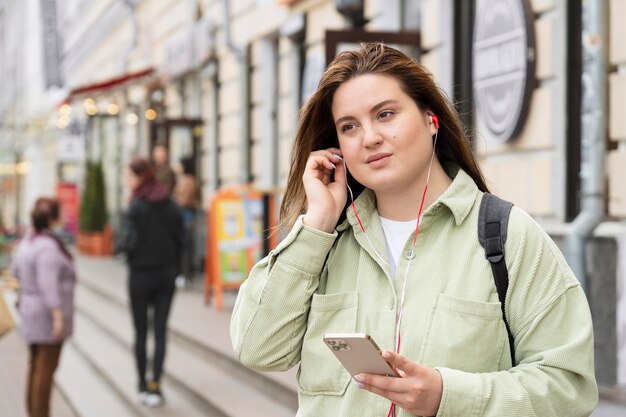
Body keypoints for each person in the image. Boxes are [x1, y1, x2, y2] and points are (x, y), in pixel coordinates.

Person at [230, 43, 598, 416]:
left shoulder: (506, 236)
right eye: (349, 126)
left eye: (385, 114)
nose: (369, 137)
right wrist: (317, 224)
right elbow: (258, 348)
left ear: (430, 119)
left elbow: (569, 388)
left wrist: (448, 395)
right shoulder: (324, 243)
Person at [116, 158, 183, 407]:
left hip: (140, 276)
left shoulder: (135, 207)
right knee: (161, 330)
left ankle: (142, 386)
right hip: (166, 275)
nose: (128, 181)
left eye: (130, 176)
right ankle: (156, 385)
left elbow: (123, 244)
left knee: (141, 331)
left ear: (140, 177)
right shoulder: (171, 205)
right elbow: (181, 240)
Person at [11, 197, 76, 417]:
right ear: (52, 218)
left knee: (36, 366)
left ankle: (34, 412)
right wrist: (58, 317)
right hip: (45, 317)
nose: (64, 217)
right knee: (44, 371)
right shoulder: (47, 247)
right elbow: (48, 286)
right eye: (61, 213)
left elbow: (15, 271)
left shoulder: (29, 241)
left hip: (32, 311)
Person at [173, 156, 199, 287]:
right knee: (185, 245)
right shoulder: (185, 180)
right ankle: (184, 274)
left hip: (185, 215)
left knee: (185, 245)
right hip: (184, 214)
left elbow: (185, 199)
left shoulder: (188, 181)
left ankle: (186, 274)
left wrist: (174, 203)